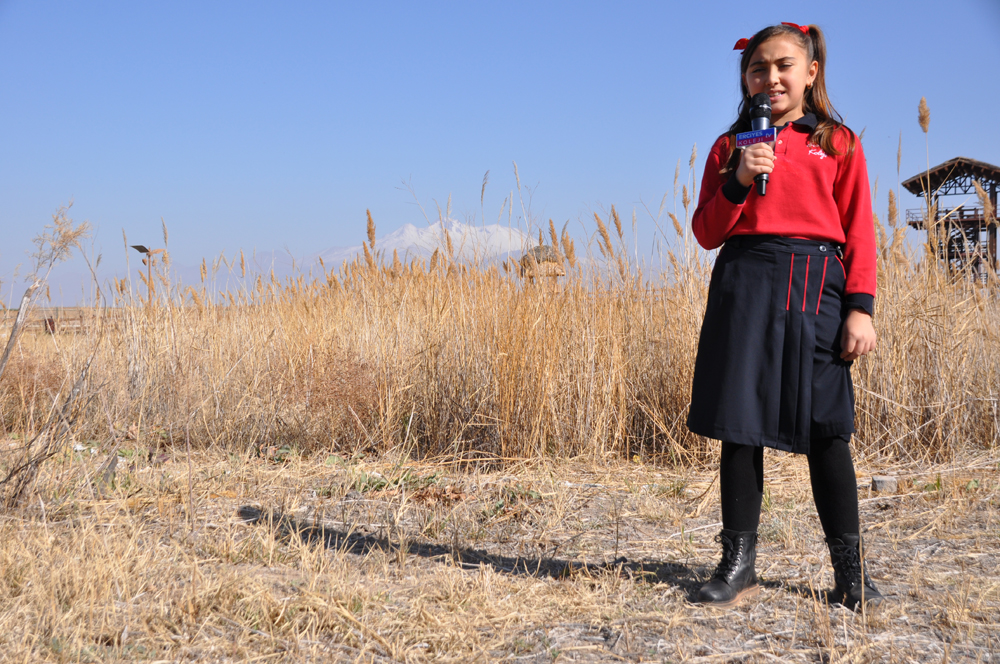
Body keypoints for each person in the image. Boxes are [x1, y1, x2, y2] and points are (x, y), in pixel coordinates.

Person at [687, 22, 883, 610]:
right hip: (744, 283)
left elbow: (860, 232)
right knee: (739, 425)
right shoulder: (729, 148)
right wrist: (741, 179)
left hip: (817, 287)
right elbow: (706, 232)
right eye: (757, 68)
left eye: (783, 66)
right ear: (745, 78)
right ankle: (738, 565)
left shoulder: (839, 142)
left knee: (827, 430)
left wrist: (860, 309)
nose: (769, 77)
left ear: (810, 73)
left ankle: (851, 573)